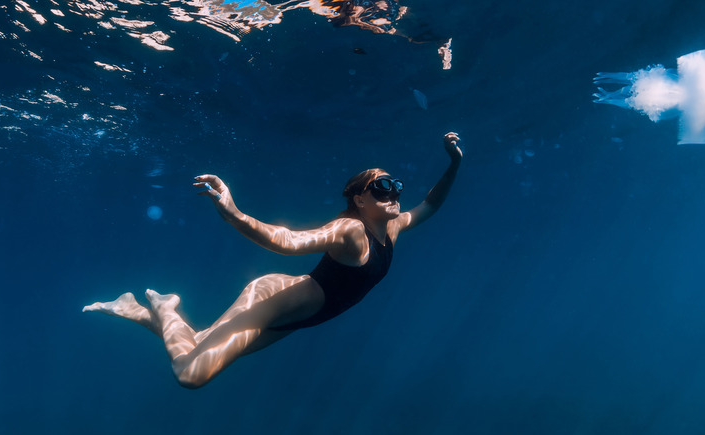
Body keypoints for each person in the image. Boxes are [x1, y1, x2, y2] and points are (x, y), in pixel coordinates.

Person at [83, 132, 463, 389]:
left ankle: (137, 310)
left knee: (199, 344)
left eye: (394, 185)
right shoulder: (349, 230)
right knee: (191, 375)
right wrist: (233, 212)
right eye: (380, 187)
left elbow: (431, 203)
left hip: (297, 319)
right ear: (359, 200)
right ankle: (165, 307)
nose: (392, 193)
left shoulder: (393, 227)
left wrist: (454, 162)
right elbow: (288, 241)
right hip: (272, 301)